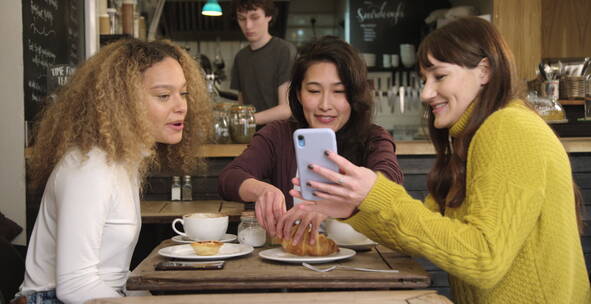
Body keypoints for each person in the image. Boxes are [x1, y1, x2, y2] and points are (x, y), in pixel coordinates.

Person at [293, 17, 590, 303]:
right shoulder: (473, 137)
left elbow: (483, 258)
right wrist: (355, 209)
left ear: (484, 71)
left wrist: (378, 195)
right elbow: (422, 237)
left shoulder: (508, 127)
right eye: (424, 79)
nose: (426, 93)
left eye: (440, 76)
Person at [16, 39, 212, 304]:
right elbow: (74, 286)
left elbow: (114, 276)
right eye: (164, 95)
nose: (181, 106)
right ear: (122, 101)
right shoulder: (90, 169)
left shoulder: (122, 161)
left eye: (184, 93)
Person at [218, 36, 403, 244]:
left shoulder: (373, 137)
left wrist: (338, 204)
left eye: (339, 91)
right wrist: (262, 190)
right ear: (298, 94)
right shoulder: (278, 134)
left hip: (361, 262)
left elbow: (390, 180)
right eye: (314, 91)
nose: (325, 104)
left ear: (354, 96)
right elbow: (229, 178)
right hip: (293, 258)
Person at [230, 0, 297, 125]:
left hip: (279, 135)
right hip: (250, 136)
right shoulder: (240, 57)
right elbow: (241, 106)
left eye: (254, 17)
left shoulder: (284, 51)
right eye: (242, 18)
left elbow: (286, 109)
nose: (248, 25)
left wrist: (246, 120)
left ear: (268, 16)